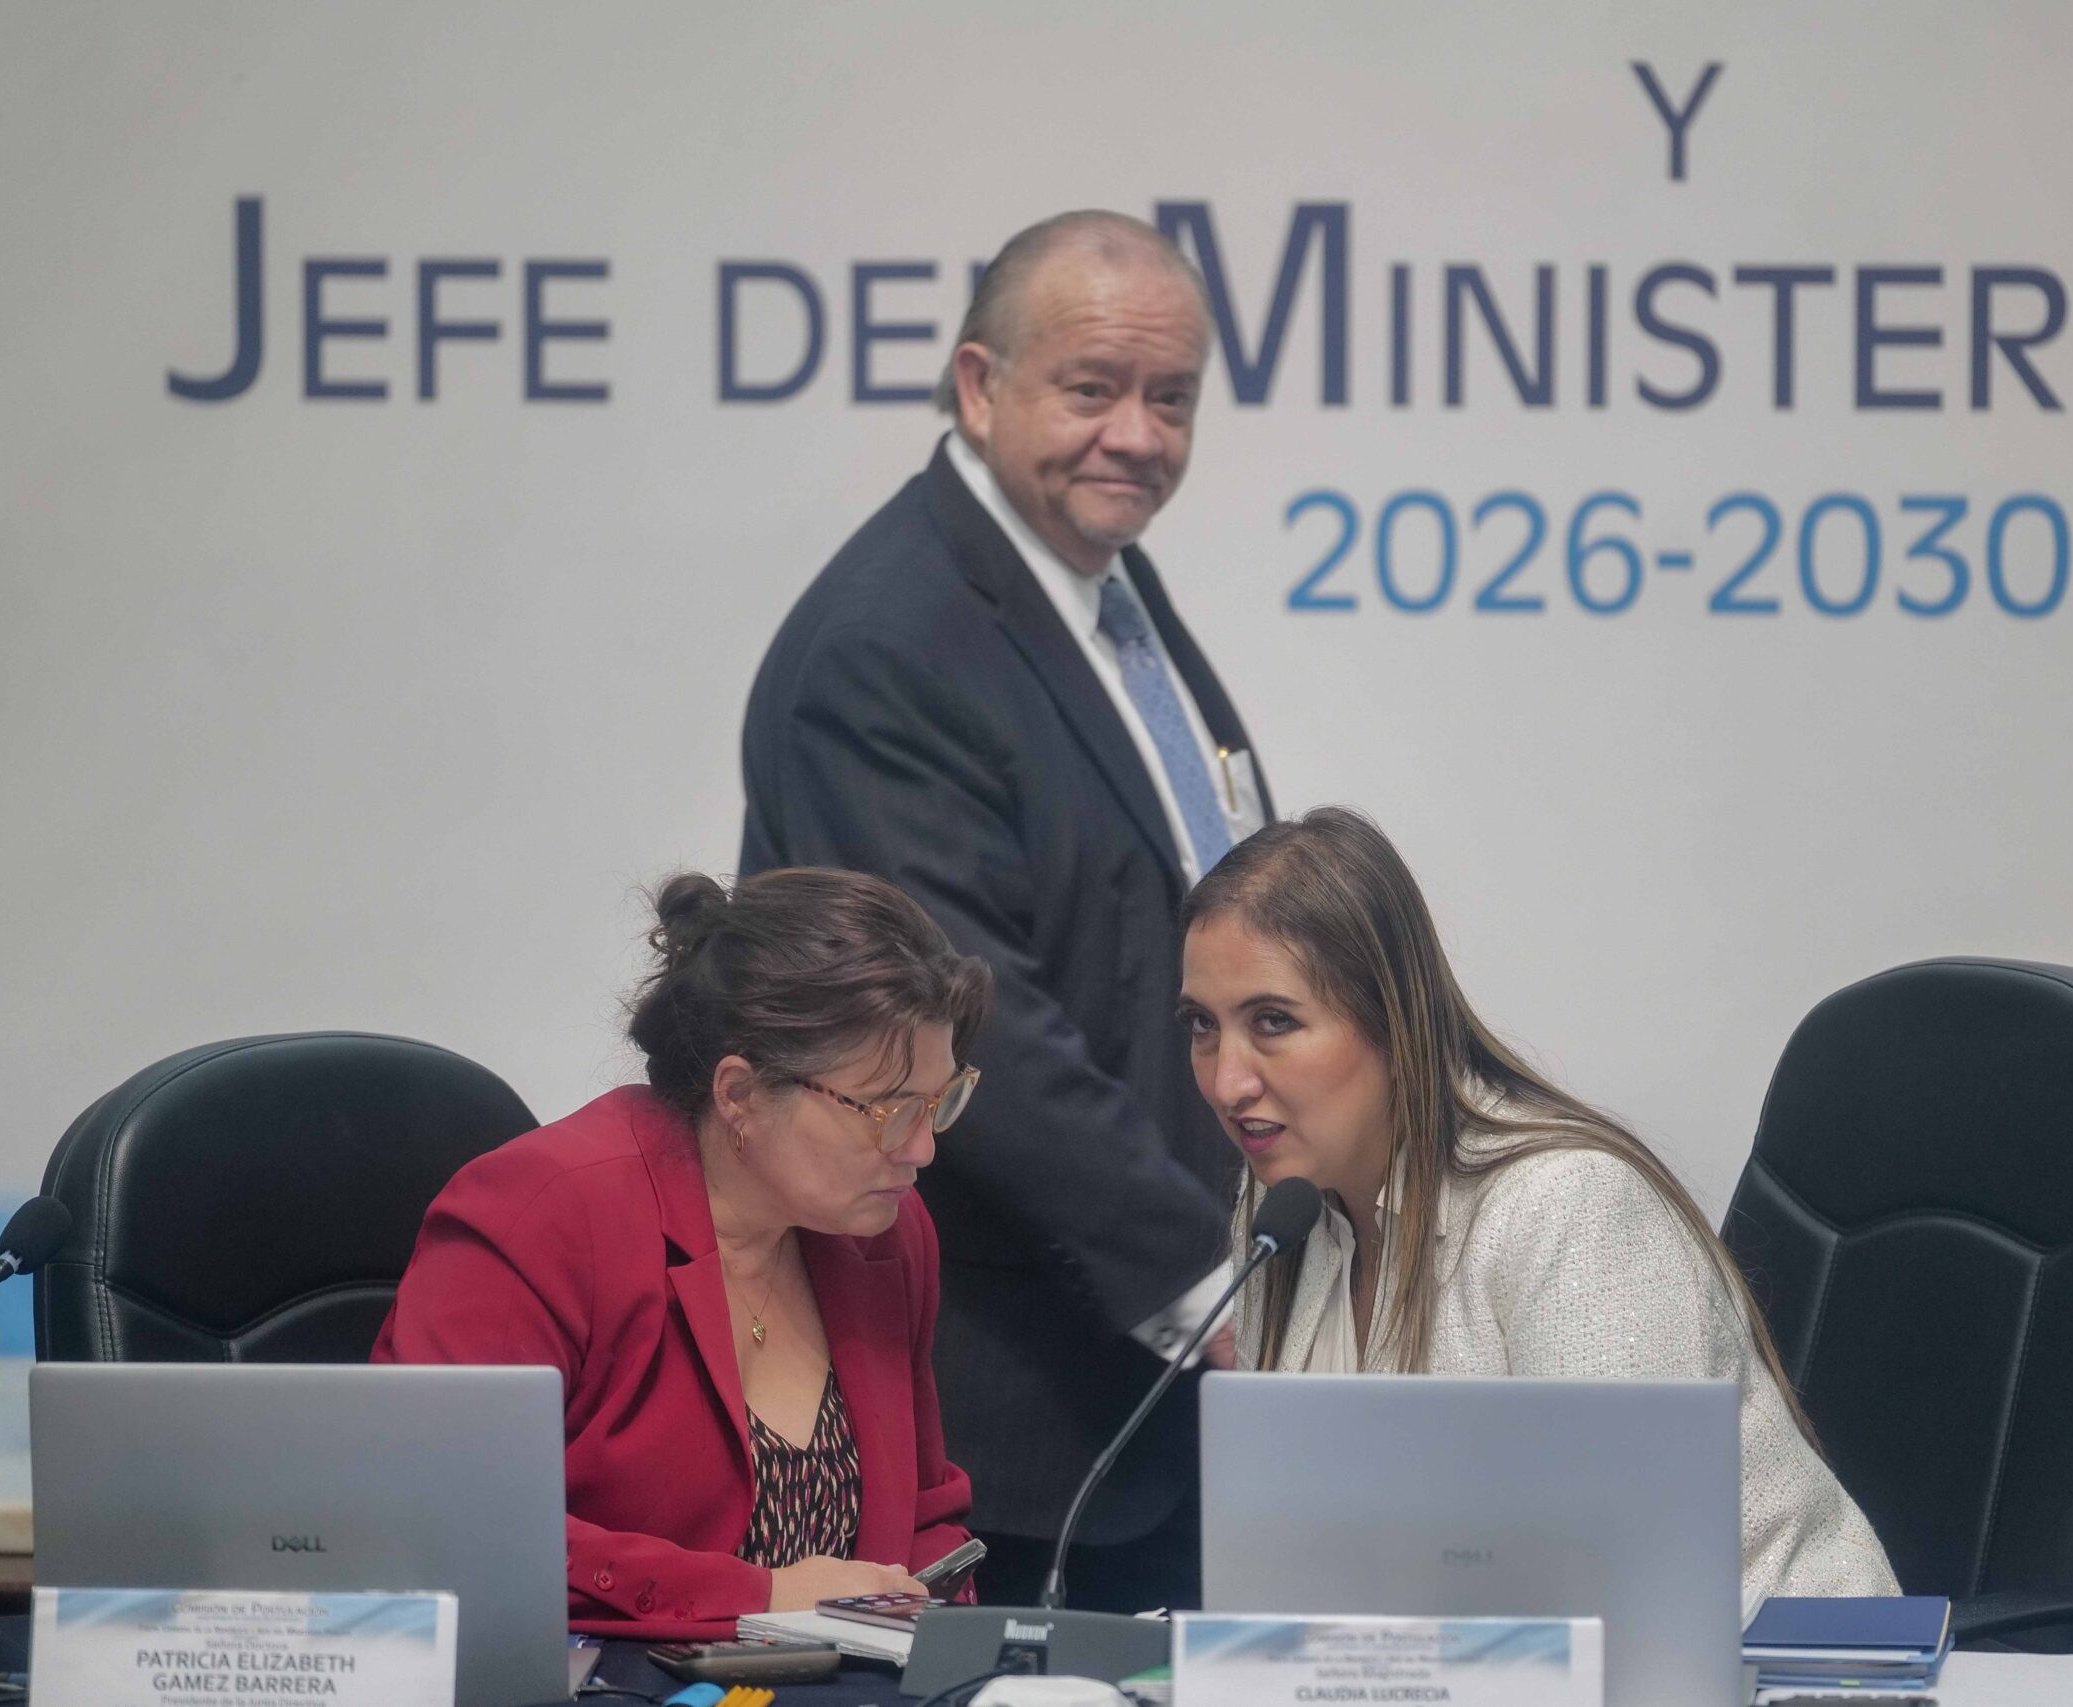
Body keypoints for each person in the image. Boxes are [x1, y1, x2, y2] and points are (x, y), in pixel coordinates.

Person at [739, 210, 1267, 1611]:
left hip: (1152, 1410)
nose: (1138, 437)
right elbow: (977, 1029)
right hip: (1007, 1428)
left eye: (1171, 398)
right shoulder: (887, 645)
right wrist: (1213, 1288)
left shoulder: (1094, 577)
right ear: (979, 385)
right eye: (1093, 388)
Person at [1176, 808, 1901, 1605]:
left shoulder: (1563, 1205)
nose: (1226, 1080)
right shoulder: (1281, 1215)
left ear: (1393, 1020)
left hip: (1774, 1658)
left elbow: (1624, 1580)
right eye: (1202, 1026)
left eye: (1273, 1022)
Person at [374, 867, 990, 1639]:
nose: (922, 1147)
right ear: (740, 1094)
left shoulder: (886, 1232)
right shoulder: (544, 1215)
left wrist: (954, 1643)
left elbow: (926, 1513)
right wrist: (760, 1595)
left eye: (939, 1101)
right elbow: (446, 1520)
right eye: (889, 1109)